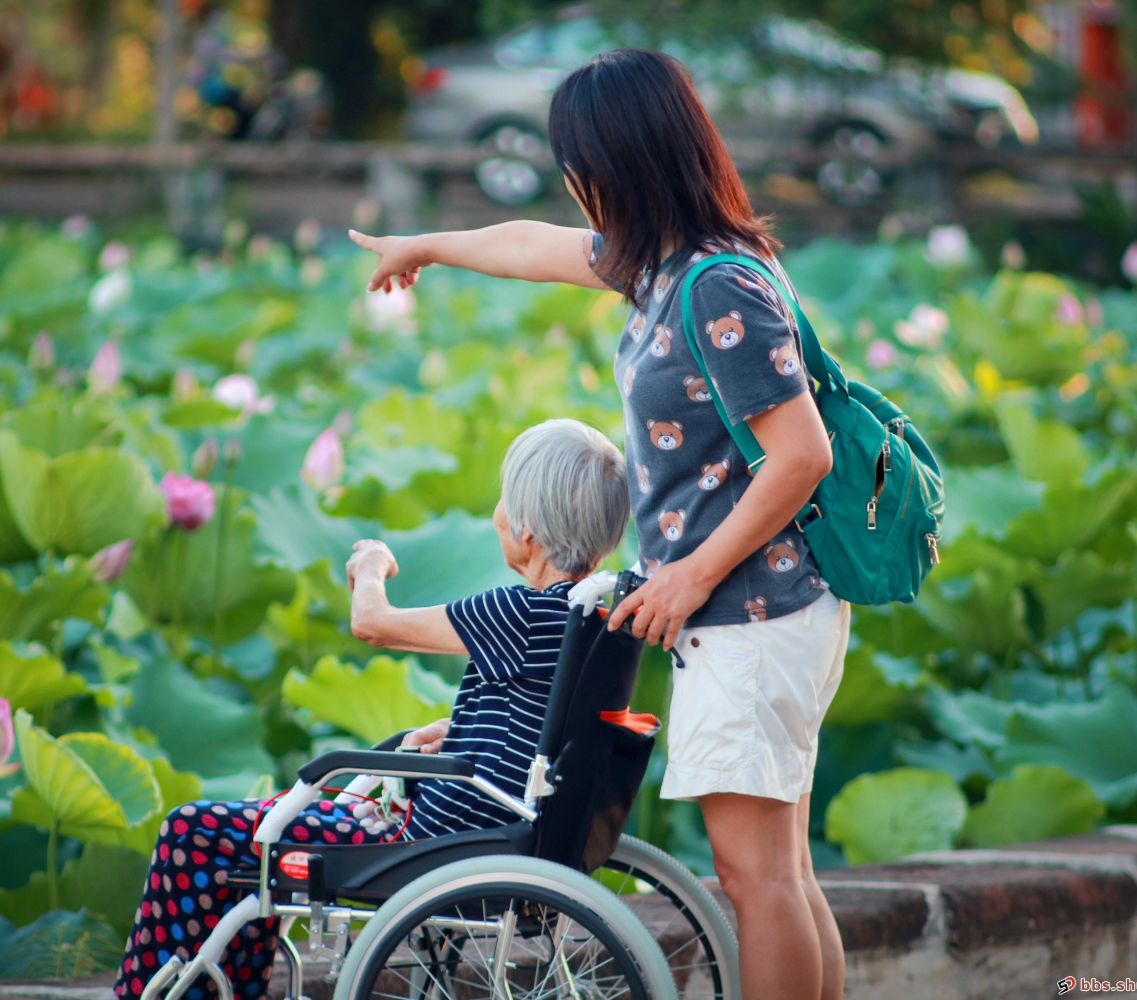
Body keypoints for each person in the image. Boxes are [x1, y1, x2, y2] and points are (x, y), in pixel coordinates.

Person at [349, 48, 849, 1000]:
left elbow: (803, 455)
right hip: (756, 614)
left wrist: (690, 575)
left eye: (579, 162)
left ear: (624, 158)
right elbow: (534, 247)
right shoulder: (664, 267)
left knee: (758, 877)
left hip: (752, 614)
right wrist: (424, 245)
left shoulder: (716, 285)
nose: (573, 185)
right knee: (781, 872)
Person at [113, 419, 629, 998]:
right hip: (490, 828)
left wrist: (370, 567)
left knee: (191, 830)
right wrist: (456, 733)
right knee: (241, 844)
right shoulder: (588, 615)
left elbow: (373, 624)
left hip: (427, 843)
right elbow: (543, 728)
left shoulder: (521, 611)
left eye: (505, 498)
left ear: (529, 529)